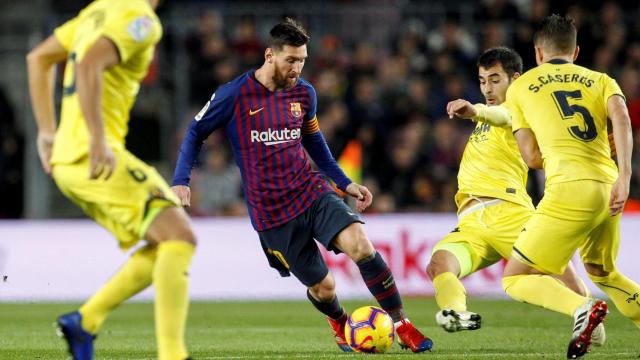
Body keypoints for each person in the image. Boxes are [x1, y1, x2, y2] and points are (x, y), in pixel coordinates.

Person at [171, 18, 432, 353]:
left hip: (310, 192)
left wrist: (344, 183)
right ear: (269, 55)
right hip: (272, 214)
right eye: (290, 60)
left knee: (361, 244)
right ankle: (339, 322)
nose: (297, 68)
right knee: (323, 287)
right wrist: (181, 180)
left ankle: (402, 324)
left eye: (302, 60)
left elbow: (314, 141)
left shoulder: (304, 94)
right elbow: (195, 131)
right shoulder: (234, 95)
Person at [27, 1, 196, 359]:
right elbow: (89, 64)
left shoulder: (97, 10)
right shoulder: (141, 19)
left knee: (166, 241)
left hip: (69, 161)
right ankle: (172, 355)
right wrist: (98, 139)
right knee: (181, 237)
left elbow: (38, 59)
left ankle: (85, 321)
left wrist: (46, 133)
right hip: (95, 156)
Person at [428, 47, 599, 340]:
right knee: (439, 263)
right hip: (471, 221)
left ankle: (588, 313)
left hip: (507, 211)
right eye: (482, 81)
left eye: (495, 80)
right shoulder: (490, 116)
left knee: (557, 274)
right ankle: (455, 312)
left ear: (515, 79)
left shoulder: (518, 108)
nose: (487, 88)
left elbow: (501, 116)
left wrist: (474, 110)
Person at [499, 14, 640, 359]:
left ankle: (581, 309)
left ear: (537, 54)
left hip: (569, 189)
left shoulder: (520, 86)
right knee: (601, 270)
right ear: (575, 52)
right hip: (608, 186)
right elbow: (621, 115)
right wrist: (624, 176)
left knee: (515, 278)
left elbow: (531, 156)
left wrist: (557, 145)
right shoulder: (600, 79)